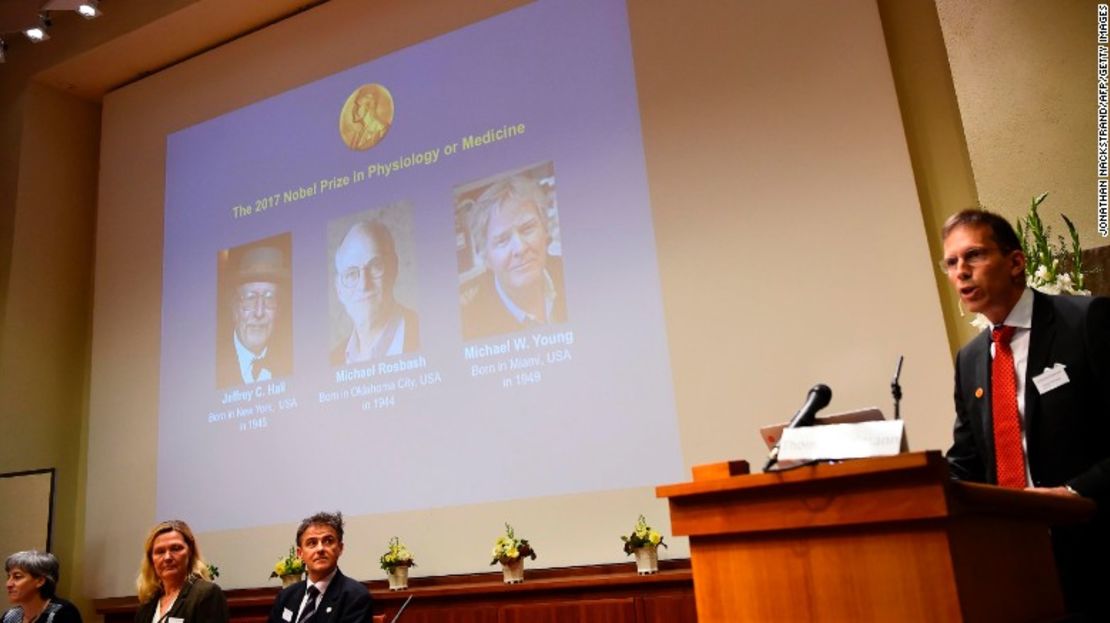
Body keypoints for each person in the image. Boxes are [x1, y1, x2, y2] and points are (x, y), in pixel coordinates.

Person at [940, 208, 1110, 618]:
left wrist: (1073, 494)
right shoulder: (971, 359)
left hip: (1096, 543)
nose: (961, 271)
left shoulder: (1086, 320)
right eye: (951, 262)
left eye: (974, 255)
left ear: (1016, 262)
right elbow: (968, 461)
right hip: (1017, 557)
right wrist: (910, 486)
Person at [459, 174, 568, 340]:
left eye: (527, 229)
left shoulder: (573, 273)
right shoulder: (469, 324)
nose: (520, 248)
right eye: (502, 240)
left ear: (545, 229)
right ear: (485, 257)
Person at [331, 220, 420, 366]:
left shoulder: (427, 334)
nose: (364, 285)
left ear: (394, 268)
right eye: (351, 274)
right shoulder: (333, 359)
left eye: (375, 266)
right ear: (339, 289)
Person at [267, 511, 372, 623]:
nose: (320, 549)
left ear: (340, 548)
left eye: (328, 541)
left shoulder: (355, 597)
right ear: (300, 553)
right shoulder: (286, 596)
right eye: (312, 543)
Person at [217, 244, 292, 387]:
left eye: (269, 298)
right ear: (234, 308)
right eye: (250, 298)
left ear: (279, 310)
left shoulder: (291, 361)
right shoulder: (213, 364)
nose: (259, 312)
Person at [134, 520, 229, 623]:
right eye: (160, 551)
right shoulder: (147, 605)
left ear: (190, 552)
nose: (167, 557)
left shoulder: (206, 594)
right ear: (151, 559)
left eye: (175, 548)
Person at [3, 551, 82, 623]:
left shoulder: (64, 613)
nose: (8, 584)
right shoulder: (10, 616)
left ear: (40, 581)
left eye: (17, 577)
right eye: (9, 577)